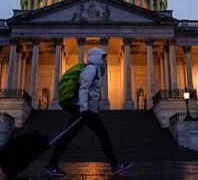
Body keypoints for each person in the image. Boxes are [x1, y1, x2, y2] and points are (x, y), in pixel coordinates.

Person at [43, 48, 133, 177]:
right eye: (103, 57)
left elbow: (92, 92)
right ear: (96, 57)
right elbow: (83, 88)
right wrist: (83, 109)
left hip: (87, 110)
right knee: (80, 136)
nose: (104, 60)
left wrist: (94, 107)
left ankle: (115, 165)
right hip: (83, 110)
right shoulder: (91, 69)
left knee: (100, 135)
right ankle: (51, 164)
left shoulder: (96, 71)